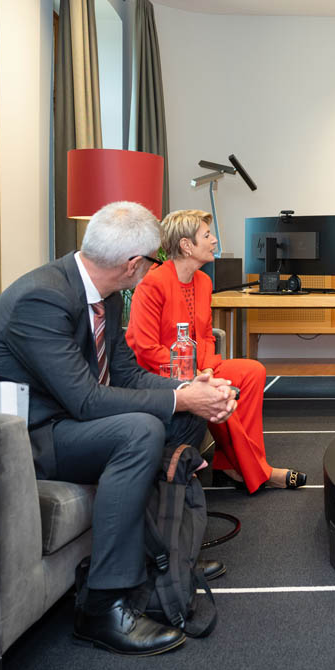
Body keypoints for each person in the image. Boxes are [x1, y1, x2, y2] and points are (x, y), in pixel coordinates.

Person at [0, 202, 238, 654]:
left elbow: (127, 374)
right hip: (26, 439)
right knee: (140, 430)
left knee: (181, 416)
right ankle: (102, 605)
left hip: (65, 422)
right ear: (133, 264)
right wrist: (181, 397)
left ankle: (166, 558)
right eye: (152, 259)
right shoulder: (42, 299)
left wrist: (190, 389)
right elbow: (86, 399)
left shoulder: (105, 297)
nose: (154, 268)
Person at [126, 209, 305, 493]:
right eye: (207, 235)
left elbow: (206, 335)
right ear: (186, 245)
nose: (214, 240)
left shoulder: (203, 282)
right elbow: (144, 347)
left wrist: (207, 368)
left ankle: (228, 465)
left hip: (199, 367)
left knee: (252, 372)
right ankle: (259, 471)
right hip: (162, 374)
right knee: (218, 391)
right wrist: (195, 374)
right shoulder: (152, 284)